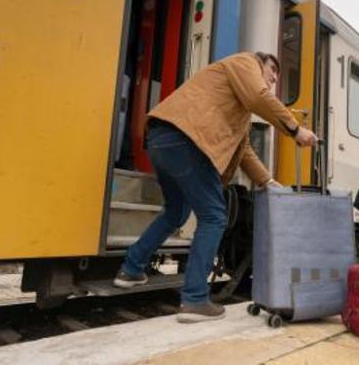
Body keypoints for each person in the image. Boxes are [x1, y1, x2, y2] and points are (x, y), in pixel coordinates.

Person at [113, 52, 317, 322]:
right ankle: (195, 300)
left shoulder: (238, 101)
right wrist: (295, 129)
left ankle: (131, 269)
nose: (273, 81)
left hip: (163, 139)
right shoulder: (246, 62)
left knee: (175, 213)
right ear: (260, 64)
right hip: (187, 140)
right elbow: (259, 97)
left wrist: (267, 181)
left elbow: (244, 149)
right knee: (214, 216)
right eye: (272, 73)